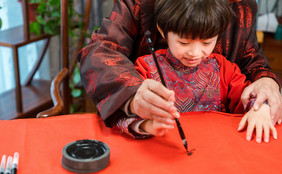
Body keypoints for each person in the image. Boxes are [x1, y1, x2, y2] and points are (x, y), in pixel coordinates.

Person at [78, 0, 281, 138]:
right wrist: (133, 98)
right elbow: (100, 51)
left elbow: (251, 62)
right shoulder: (147, 68)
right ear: (162, 31)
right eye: (184, 43)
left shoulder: (224, 69)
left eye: (206, 42)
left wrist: (262, 100)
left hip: (218, 144)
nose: (195, 53)